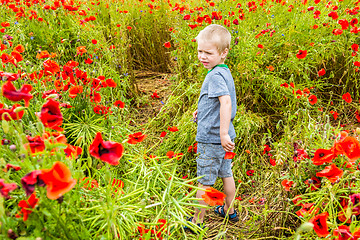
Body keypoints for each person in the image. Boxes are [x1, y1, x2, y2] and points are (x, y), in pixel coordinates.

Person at [186, 24, 239, 231]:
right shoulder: (224, 72)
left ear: (224, 52)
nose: (202, 57)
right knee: (226, 173)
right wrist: (202, 112)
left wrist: (222, 133)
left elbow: (225, 102)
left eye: (208, 52)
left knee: (204, 182)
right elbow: (218, 103)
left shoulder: (214, 76)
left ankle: (197, 221)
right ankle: (229, 210)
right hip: (225, 140)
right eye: (200, 51)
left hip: (213, 140)